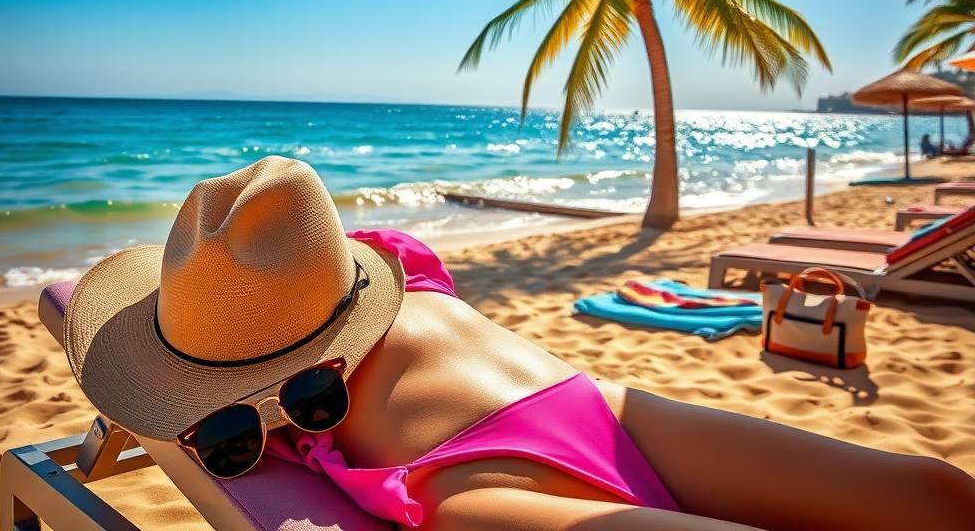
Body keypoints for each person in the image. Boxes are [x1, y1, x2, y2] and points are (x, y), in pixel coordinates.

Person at [63, 157, 975, 531]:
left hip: (532, 442)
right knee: (926, 499)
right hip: (533, 445)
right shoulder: (394, 267)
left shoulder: (302, 328)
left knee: (936, 496)